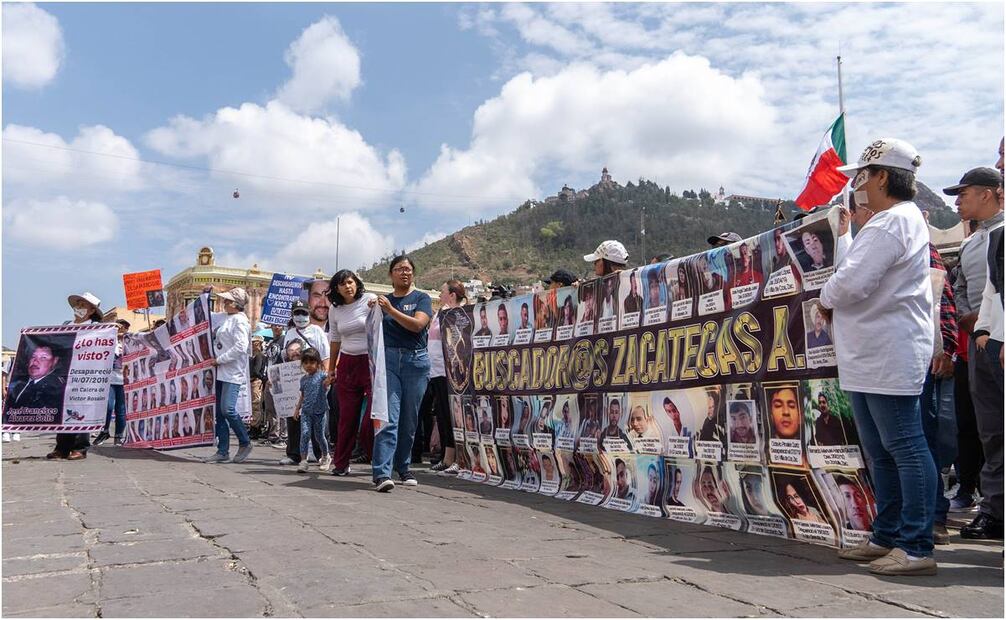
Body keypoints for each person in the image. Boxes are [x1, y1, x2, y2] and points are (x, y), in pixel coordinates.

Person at [822, 138, 937, 575]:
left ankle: (916, 544)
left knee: (904, 446)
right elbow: (853, 270)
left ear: (883, 176)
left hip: (888, 351)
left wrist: (825, 297)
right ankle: (887, 536)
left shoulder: (894, 221)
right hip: (869, 354)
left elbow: (851, 283)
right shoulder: (890, 222)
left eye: (862, 176)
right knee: (881, 451)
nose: (857, 184)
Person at [946, 165, 1004, 541]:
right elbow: (964, 288)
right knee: (990, 431)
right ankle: (995, 510)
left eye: (964, 193)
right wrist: (974, 324)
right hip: (980, 342)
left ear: (987, 193)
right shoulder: (970, 243)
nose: (957, 201)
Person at [369, 255, 432, 492]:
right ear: (390, 274)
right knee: (388, 416)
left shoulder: (421, 298)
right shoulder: (381, 302)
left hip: (416, 361)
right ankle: (382, 473)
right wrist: (374, 309)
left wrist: (390, 310)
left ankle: (403, 466)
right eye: (399, 269)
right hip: (389, 362)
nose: (404, 273)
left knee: (409, 419)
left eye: (408, 269)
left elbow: (417, 325)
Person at [324, 270, 377, 476]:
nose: (348, 286)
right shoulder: (335, 309)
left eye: (351, 282)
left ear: (357, 283)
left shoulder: (369, 300)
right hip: (347, 363)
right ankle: (341, 463)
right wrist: (331, 370)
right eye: (343, 284)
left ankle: (378, 460)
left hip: (370, 361)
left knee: (371, 418)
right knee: (347, 417)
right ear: (336, 289)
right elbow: (335, 339)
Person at [48, 292, 103, 460]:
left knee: (82, 410)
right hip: (65, 374)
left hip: (85, 374)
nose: (79, 308)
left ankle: (80, 447)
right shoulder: (66, 325)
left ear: (92, 310)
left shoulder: (97, 330)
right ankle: (62, 448)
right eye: (78, 304)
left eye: (83, 305)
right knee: (65, 410)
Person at [203, 287, 253, 464]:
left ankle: (245, 441)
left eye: (227, 301)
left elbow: (241, 347)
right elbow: (206, 315)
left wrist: (220, 359)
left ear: (235, 304)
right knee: (219, 413)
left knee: (228, 409)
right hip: (220, 371)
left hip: (232, 371)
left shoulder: (240, 321)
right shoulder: (225, 317)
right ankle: (222, 450)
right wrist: (205, 297)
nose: (224, 303)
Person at [427, 281, 466, 475]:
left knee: (453, 417)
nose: (440, 294)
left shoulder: (459, 315)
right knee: (442, 415)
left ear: (452, 295)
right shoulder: (439, 313)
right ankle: (447, 457)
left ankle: (459, 458)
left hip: (450, 372)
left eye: (442, 292)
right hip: (436, 372)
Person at [292, 348, 330, 473]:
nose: (308, 365)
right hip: (306, 412)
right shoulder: (303, 379)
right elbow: (303, 395)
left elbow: (328, 381)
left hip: (319, 411)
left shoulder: (322, 376)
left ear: (318, 363)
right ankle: (303, 460)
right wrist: (297, 409)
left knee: (319, 436)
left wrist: (329, 379)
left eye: (312, 362)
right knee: (305, 434)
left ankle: (325, 456)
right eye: (306, 363)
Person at [95, 319, 130, 446]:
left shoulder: (130, 342)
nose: (121, 329)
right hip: (109, 378)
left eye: (124, 327)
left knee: (121, 409)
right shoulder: (109, 340)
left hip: (124, 380)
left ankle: (119, 436)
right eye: (119, 327)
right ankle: (104, 431)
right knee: (108, 406)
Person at [248, 336, 267, 439]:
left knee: (256, 404)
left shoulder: (259, 356)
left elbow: (256, 370)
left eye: (255, 342)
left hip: (255, 381)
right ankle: (253, 425)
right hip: (253, 381)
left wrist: (260, 378)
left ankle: (255, 427)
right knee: (253, 405)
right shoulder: (254, 355)